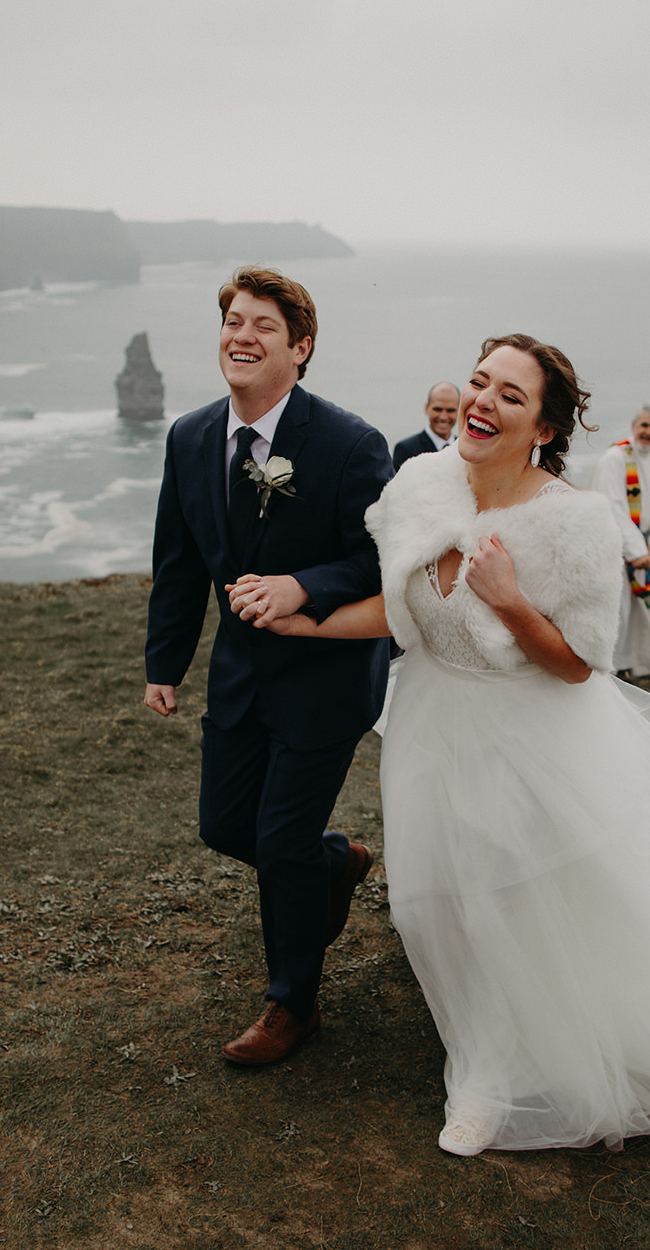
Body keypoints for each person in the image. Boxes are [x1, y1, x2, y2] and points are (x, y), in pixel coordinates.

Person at [234, 334, 650, 1155]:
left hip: (529, 737)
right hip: (430, 722)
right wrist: (305, 618)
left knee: (513, 898)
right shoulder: (422, 483)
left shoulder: (575, 523)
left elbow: (579, 665)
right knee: (446, 896)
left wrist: (512, 600)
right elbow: (400, 613)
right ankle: (483, 1042)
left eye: (510, 396)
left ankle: (489, 1077)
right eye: (480, 382)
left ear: (545, 430)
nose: (482, 402)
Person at [143, 266, 394, 1066]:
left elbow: (380, 562)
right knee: (226, 826)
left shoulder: (352, 444)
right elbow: (180, 563)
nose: (241, 337)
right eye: (233, 322)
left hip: (326, 683)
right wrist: (165, 663)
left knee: (280, 839)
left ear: (301, 348)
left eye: (263, 327)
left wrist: (300, 586)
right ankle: (338, 861)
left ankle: (292, 1005)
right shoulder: (189, 437)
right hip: (240, 675)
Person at [589, 405, 650, 678]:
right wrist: (635, 551)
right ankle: (606, 671)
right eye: (644, 425)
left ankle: (628, 667)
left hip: (638, 546)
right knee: (614, 610)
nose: (649, 432)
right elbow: (613, 507)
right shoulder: (615, 458)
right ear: (634, 426)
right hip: (611, 546)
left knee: (636, 611)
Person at [391, 382, 461, 470]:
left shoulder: (463, 449)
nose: (443, 417)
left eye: (450, 410)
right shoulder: (406, 449)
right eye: (438, 409)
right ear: (427, 408)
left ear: (459, 411)